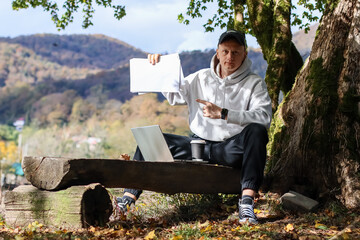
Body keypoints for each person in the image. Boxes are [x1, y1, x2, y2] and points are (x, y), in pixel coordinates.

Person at [116, 30, 272, 224]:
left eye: (235, 52)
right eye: (225, 51)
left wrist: (224, 114)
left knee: (257, 131)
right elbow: (174, 95)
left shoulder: (253, 83)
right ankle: (125, 202)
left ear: (245, 54)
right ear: (217, 52)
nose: (229, 57)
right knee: (150, 140)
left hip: (231, 149)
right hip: (198, 145)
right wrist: (159, 67)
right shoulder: (201, 77)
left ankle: (247, 204)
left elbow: (264, 117)